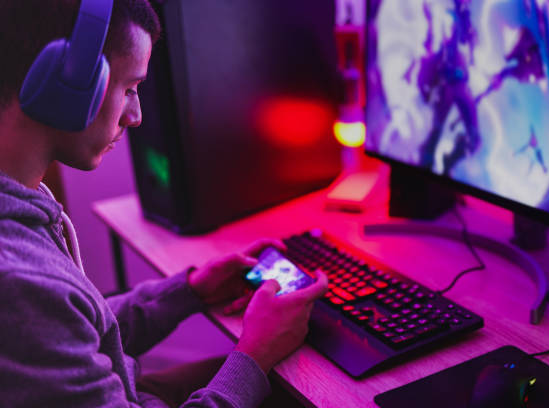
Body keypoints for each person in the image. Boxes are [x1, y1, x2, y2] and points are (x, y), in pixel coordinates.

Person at [0, 0, 328, 407]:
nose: (136, 116)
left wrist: (188, 291)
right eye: (130, 89)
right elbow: (47, 309)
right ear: (67, 82)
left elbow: (68, 326)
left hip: (127, 391)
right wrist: (254, 353)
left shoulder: (21, 203)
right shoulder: (18, 282)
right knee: (302, 389)